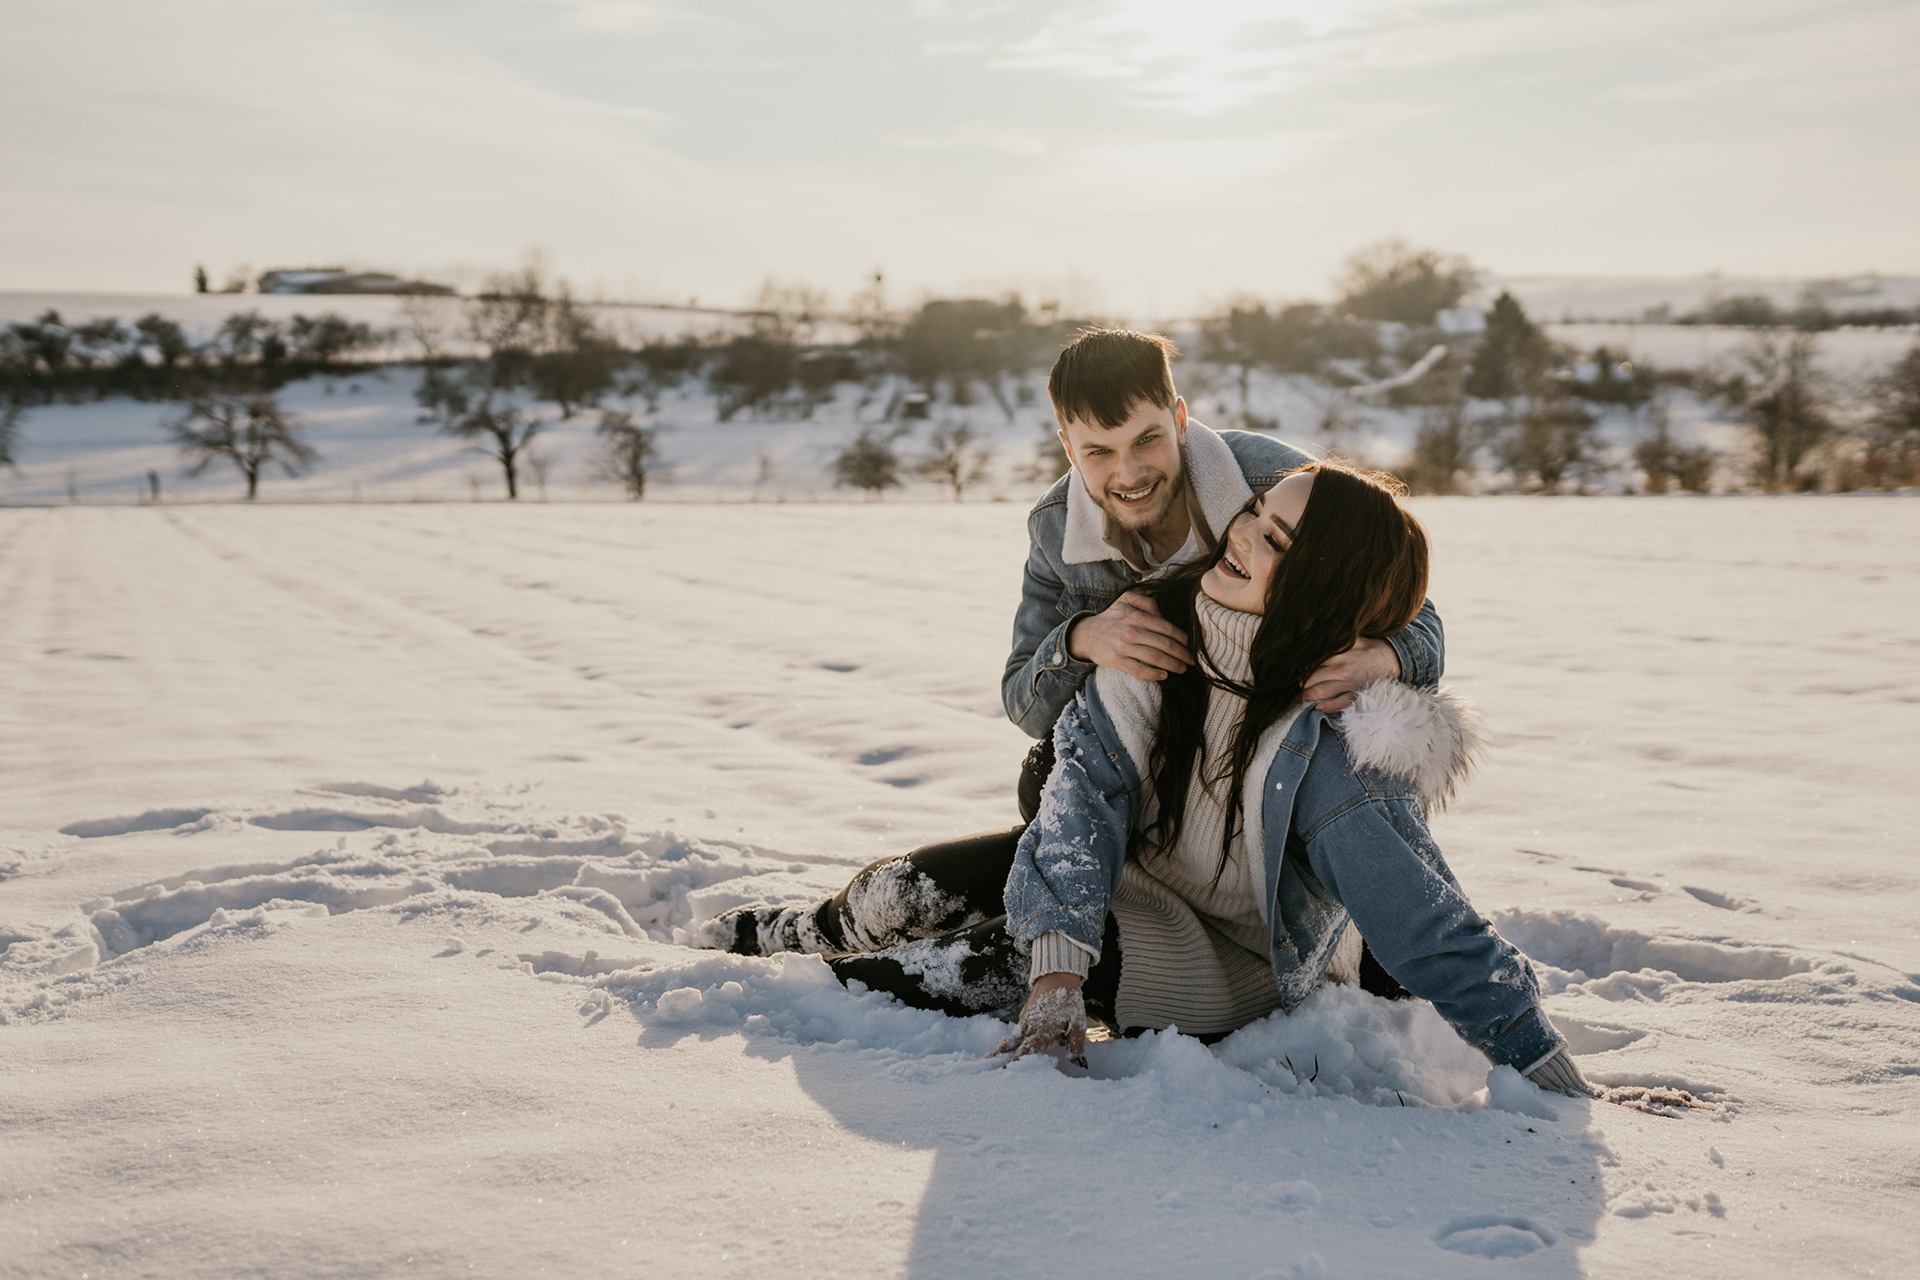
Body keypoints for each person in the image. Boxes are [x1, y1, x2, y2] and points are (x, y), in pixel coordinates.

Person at [697, 460, 1592, 1097]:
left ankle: (806, 989)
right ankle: (787, 934)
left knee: (941, 972)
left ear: (1317, 591)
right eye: (1252, 513)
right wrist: (1059, 975)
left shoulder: (1334, 746)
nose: (1240, 535)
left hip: (1223, 960)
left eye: (1273, 539)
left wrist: (1549, 1070)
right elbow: (1077, 810)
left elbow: (1427, 923)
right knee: (907, 885)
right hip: (1134, 880)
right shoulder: (1155, 637)